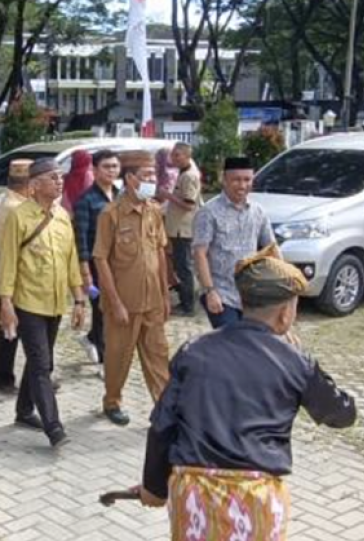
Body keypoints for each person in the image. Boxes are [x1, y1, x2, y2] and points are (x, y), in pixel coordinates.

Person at [138, 245, 356, 541]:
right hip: (258, 507)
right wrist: (308, 361)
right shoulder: (294, 360)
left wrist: (154, 488)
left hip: (201, 507)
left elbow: (162, 425)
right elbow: (341, 414)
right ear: (284, 312)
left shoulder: (196, 351)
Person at [0, 158, 86, 448]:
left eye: (60, 177)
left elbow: (71, 259)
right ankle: (54, 426)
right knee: (41, 364)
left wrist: (80, 298)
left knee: (39, 358)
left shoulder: (62, 216)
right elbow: (8, 261)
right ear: (34, 185)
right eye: (52, 178)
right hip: (28, 301)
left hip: (56, 301)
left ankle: (24, 411)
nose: (59, 182)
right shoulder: (18, 217)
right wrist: (5, 303)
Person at [92, 151, 170, 426]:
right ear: (129, 179)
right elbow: (101, 259)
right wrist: (114, 303)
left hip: (153, 301)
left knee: (158, 356)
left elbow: (160, 252)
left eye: (153, 175)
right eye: (146, 176)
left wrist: (165, 292)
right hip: (123, 303)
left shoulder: (153, 210)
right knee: (118, 358)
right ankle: (112, 401)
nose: (151, 180)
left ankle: (164, 409)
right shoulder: (110, 214)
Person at [193, 156, 276, 328]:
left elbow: (271, 248)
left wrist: (289, 280)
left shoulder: (258, 212)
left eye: (247, 180)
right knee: (230, 343)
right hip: (221, 293)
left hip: (250, 294)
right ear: (224, 180)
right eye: (236, 180)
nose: (242, 185)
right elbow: (199, 253)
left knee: (251, 343)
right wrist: (210, 291)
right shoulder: (209, 212)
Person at [71, 150, 121, 367]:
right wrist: (85, 273)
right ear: (95, 169)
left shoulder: (121, 194)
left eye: (115, 166)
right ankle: (103, 359)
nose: (111, 171)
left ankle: (93, 339)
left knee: (112, 309)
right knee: (102, 310)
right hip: (95, 263)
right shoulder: (86, 200)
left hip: (119, 263)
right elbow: (81, 240)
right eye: (106, 166)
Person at [0, 158, 34, 394]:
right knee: (9, 328)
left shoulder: (17, 201)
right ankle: (2, 376)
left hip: (19, 275)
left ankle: (35, 374)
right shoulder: (14, 207)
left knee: (16, 328)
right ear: (28, 184)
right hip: (11, 276)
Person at [161, 143, 202, 317]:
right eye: (173, 155)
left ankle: (189, 305)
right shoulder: (183, 173)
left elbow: (188, 204)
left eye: (177, 155)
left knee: (184, 266)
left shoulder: (189, 176)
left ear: (186, 155)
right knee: (181, 265)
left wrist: (168, 196)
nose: (174, 158)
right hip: (178, 228)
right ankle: (187, 300)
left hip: (184, 229)